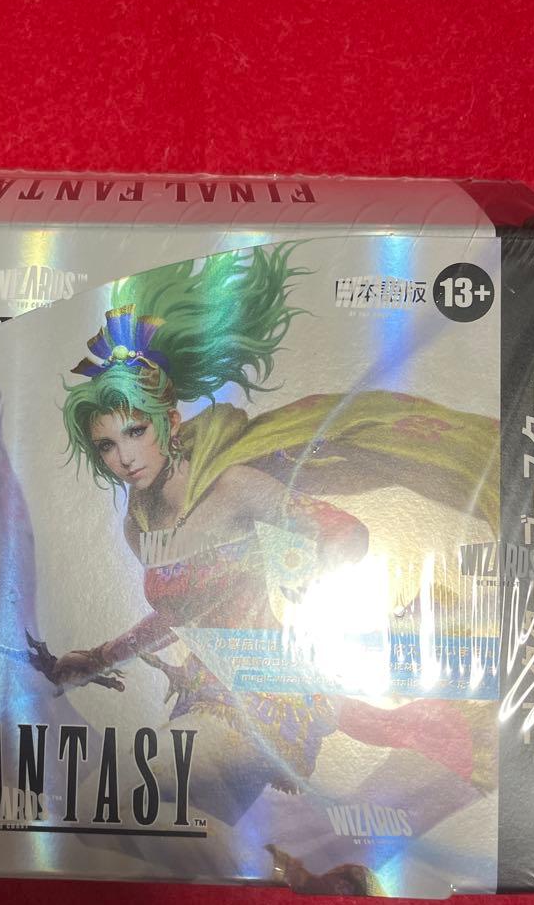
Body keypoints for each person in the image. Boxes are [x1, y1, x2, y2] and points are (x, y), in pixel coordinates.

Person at [51, 244, 498, 796]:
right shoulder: (137, 527)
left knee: (111, 791)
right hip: (206, 696)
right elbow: (178, 613)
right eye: (106, 445)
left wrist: (303, 570)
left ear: (169, 421)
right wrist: (101, 658)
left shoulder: (234, 487)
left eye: (135, 432)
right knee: (163, 831)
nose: (124, 457)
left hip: (267, 697)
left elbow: (346, 534)